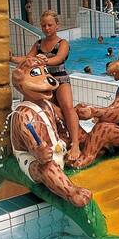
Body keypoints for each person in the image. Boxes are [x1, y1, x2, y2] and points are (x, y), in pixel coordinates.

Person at [10, 10, 81, 161]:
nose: (47, 28)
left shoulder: (63, 43)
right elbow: (28, 59)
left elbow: (59, 58)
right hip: (41, 81)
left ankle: (76, 144)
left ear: (57, 25)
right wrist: (11, 58)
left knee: (68, 108)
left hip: (59, 79)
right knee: (32, 106)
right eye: (44, 25)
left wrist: (43, 61)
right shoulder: (38, 44)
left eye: (50, 25)